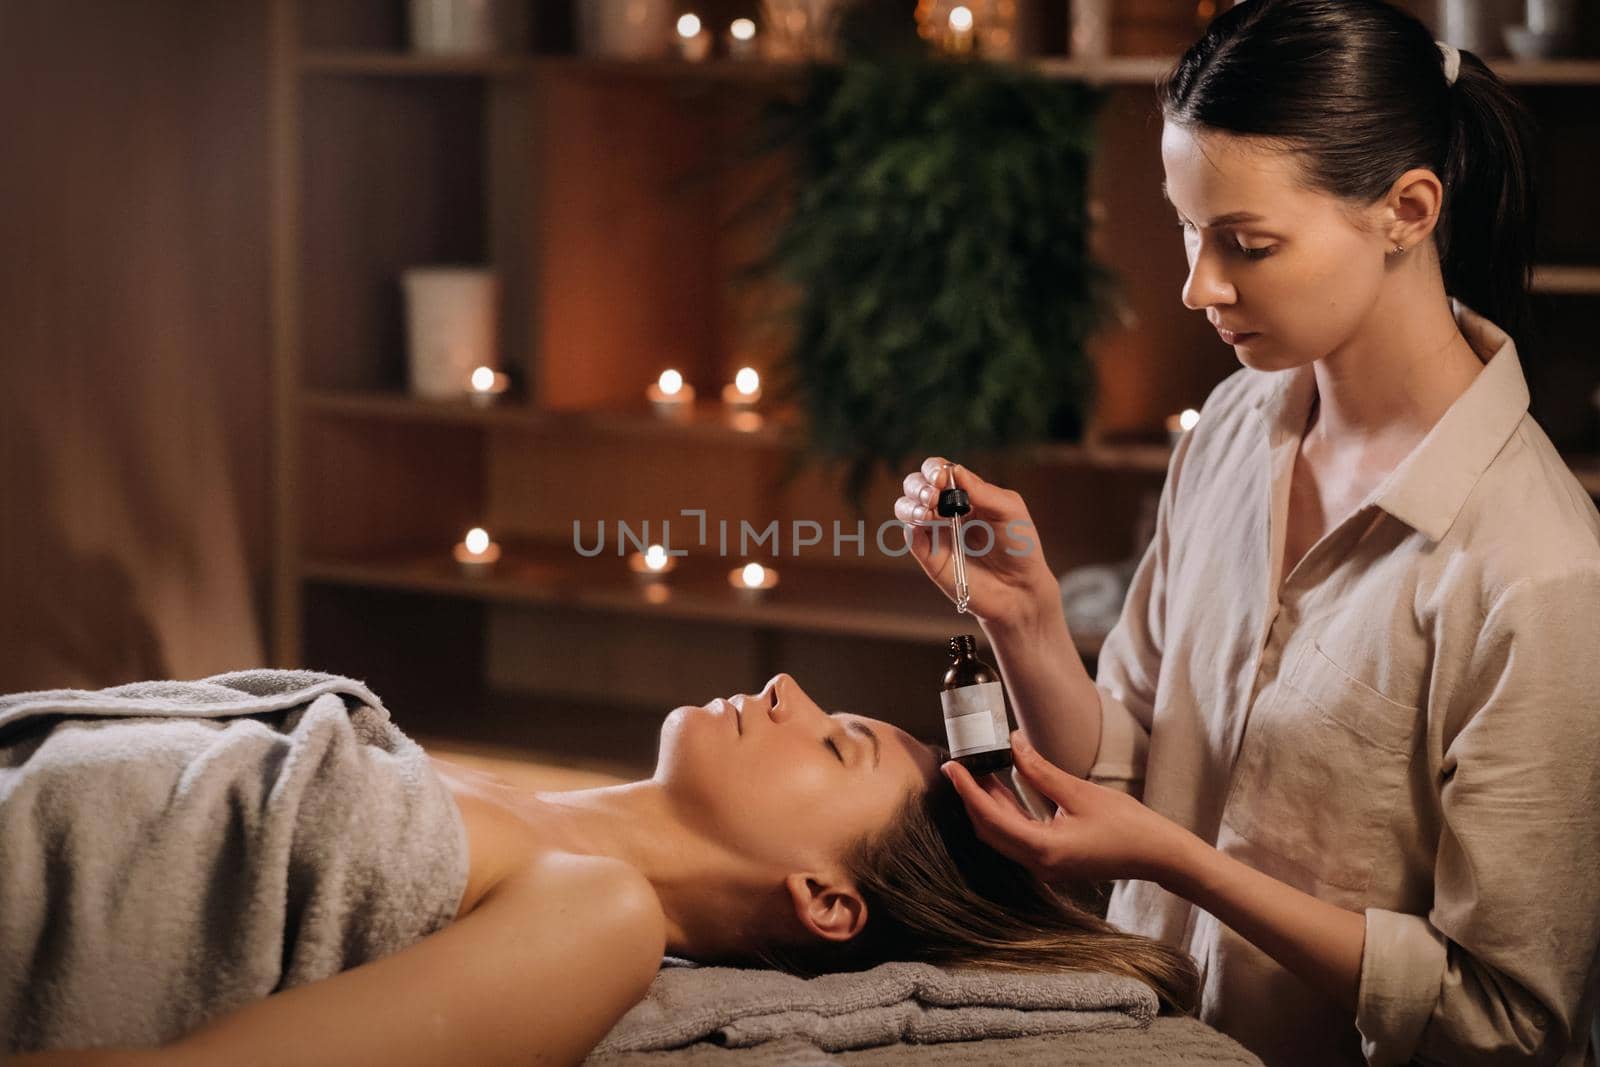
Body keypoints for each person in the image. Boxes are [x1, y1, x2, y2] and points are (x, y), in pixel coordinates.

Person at [895, 1, 1600, 1064]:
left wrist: (1185, 863)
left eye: (1247, 243)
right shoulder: (1232, 426)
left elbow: (1506, 1019)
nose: (1197, 286)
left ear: (1406, 210)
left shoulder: (1537, 570)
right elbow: (1129, 754)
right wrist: (1030, 619)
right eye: (1188, 227)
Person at [6, 672, 1197, 1067]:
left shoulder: (602, 915)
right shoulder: (468, 779)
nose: (785, 690)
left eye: (834, 741)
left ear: (827, 900)